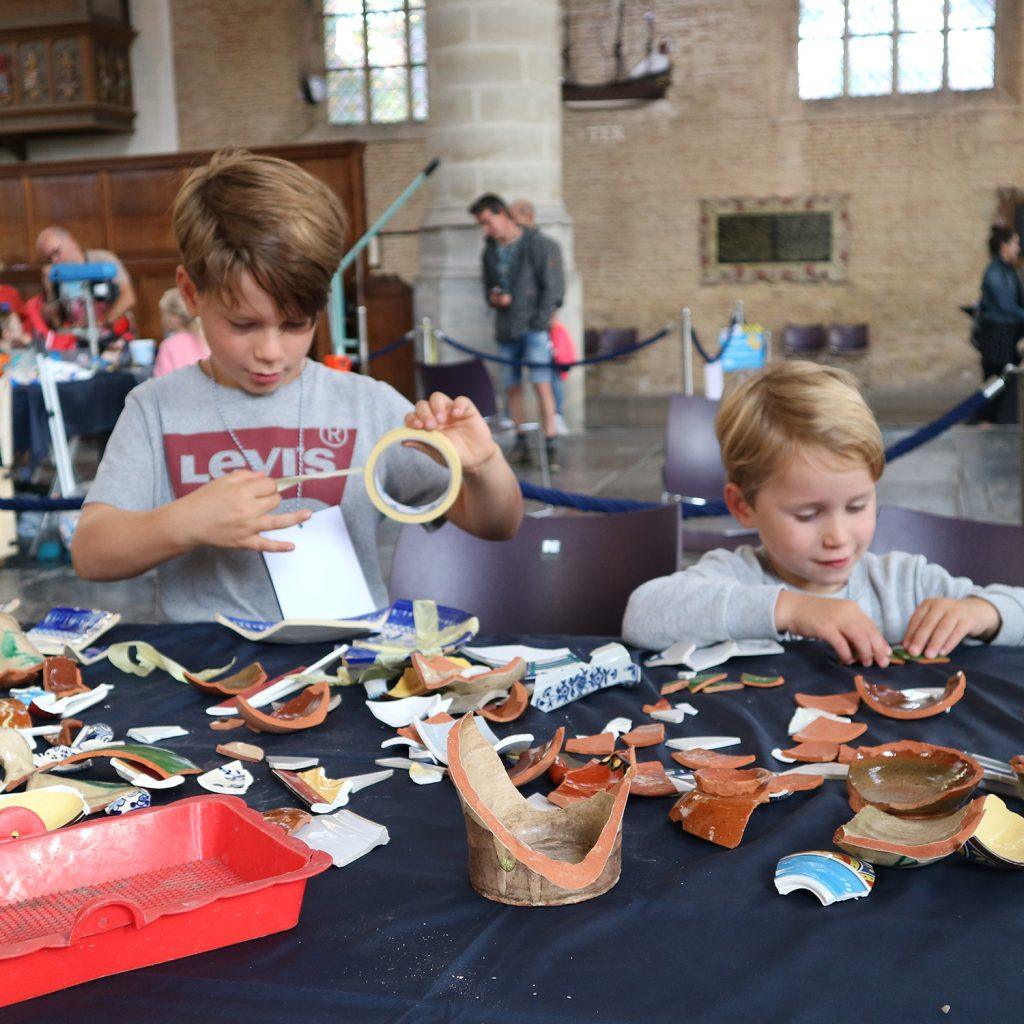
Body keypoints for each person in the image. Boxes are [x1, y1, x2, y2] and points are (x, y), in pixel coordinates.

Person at [72, 149, 522, 622]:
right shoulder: (156, 408)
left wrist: (483, 463)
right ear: (191, 293)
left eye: (294, 324)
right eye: (244, 325)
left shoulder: (365, 404)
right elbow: (91, 552)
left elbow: (497, 523)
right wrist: (183, 522)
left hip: (344, 666)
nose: (271, 351)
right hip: (203, 674)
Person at [622, 361, 1024, 664]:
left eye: (857, 505)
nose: (838, 536)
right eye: (807, 514)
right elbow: (643, 614)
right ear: (744, 507)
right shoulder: (735, 575)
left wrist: (983, 613)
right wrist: (791, 609)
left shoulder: (905, 583)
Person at [470, 193, 564, 469]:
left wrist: (540, 322)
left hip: (533, 328)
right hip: (506, 327)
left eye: (488, 222)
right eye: (482, 225)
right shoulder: (489, 250)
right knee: (512, 387)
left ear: (502, 214)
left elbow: (553, 288)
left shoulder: (538, 245)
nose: (486, 229)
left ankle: (550, 444)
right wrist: (494, 298)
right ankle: (521, 443)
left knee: (541, 384)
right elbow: (487, 285)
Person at [510, 198, 574, 435]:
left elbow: (553, 286)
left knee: (545, 376)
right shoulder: (516, 247)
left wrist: (544, 319)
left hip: (538, 324)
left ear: (527, 216)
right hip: (517, 324)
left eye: (513, 215)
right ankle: (521, 435)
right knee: (519, 380)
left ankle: (555, 421)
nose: (510, 221)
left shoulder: (545, 245)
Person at [36, 226, 137, 335]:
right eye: (49, 258)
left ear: (71, 241)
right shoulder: (56, 275)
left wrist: (101, 321)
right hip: (79, 338)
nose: (55, 260)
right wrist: (49, 290)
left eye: (56, 252)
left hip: (114, 332)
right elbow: (56, 324)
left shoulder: (103, 260)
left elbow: (129, 297)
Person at [975, 225, 1024, 423]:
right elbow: (1007, 306)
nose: (1018, 248)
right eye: (1015, 243)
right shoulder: (995, 273)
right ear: (1004, 246)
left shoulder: (1009, 272)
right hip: (997, 339)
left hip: (1008, 336)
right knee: (995, 384)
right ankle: (986, 421)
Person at [153, 286, 209, 377]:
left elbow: (162, 383)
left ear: (173, 318)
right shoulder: (206, 338)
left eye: (163, 314)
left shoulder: (170, 346)